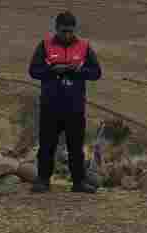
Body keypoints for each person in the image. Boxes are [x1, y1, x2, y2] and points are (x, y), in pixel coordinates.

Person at [28, 10, 103, 193]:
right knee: (47, 145)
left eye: (70, 31)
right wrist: (54, 70)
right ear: (56, 29)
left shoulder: (84, 47)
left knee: (75, 147)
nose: (67, 35)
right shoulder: (44, 45)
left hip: (75, 106)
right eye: (63, 31)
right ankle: (43, 180)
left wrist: (77, 71)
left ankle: (78, 182)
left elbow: (96, 73)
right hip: (50, 105)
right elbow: (33, 71)